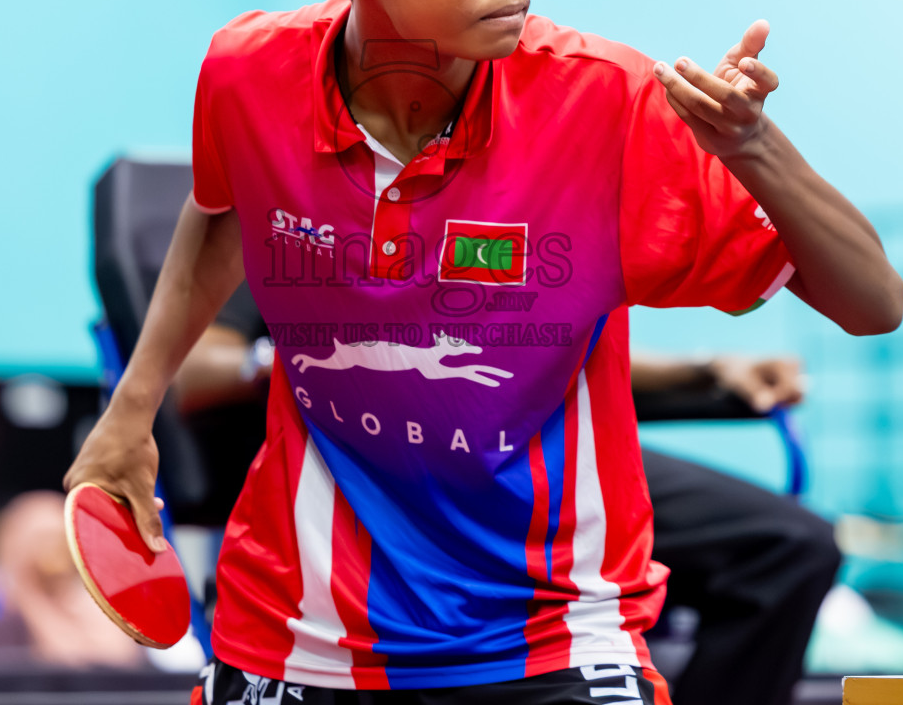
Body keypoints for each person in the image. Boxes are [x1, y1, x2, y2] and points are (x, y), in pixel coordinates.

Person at [67, 0, 902, 705]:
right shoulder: (248, 71)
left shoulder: (605, 104)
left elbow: (872, 304)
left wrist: (753, 147)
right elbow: (221, 211)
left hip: (551, 633)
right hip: (300, 631)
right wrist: (128, 413)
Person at [172, 295, 840, 705]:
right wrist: (338, 359)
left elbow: (536, 354)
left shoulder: (493, 201)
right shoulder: (295, 214)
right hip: (378, 468)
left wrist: (707, 367)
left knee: (788, 545)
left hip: (527, 456)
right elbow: (193, 372)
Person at [0, 490, 144, 670]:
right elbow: (58, 661)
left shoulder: (101, 604)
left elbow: (120, 660)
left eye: (60, 537)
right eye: (41, 538)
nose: (53, 548)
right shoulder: (10, 622)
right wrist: (26, 588)